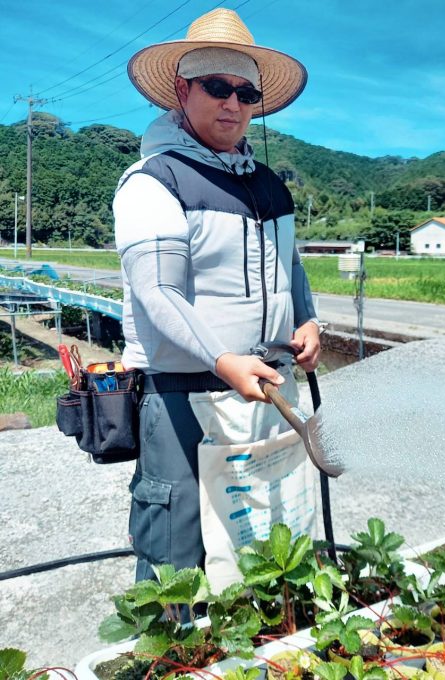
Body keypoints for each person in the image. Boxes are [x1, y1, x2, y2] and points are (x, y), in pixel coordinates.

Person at [113, 7, 320, 582]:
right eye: (216, 87)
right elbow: (157, 290)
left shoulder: (266, 184)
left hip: (266, 387)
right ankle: (165, 659)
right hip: (185, 391)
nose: (233, 103)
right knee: (178, 546)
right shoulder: (155, 179)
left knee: (259, 537)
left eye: (246, 92)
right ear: (182, 90)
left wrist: (309, 321)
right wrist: (225, 360)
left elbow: (290, 264)